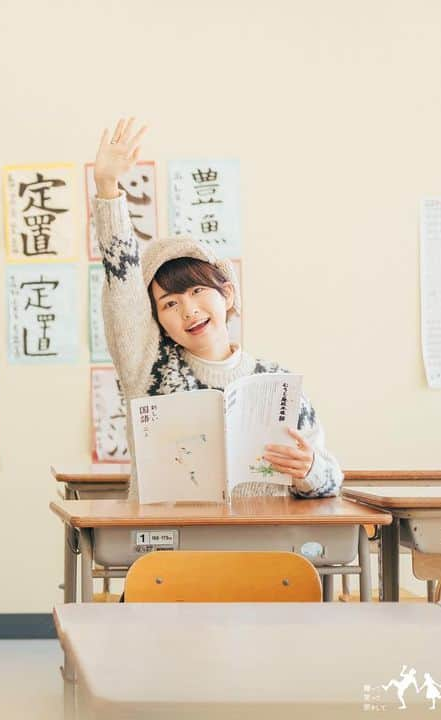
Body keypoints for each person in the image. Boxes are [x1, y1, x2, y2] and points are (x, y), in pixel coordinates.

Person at [93, 117, 342, 498]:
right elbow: (123, 289)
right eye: (170, 303)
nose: (188, 310)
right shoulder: (149, 368)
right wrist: (108, 188)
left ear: (227, 295)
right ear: (156, 319)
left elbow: (329, 482)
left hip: (263, 548)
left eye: (196, 291)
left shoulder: (277, 383)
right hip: (173, 550)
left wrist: (309, 471)